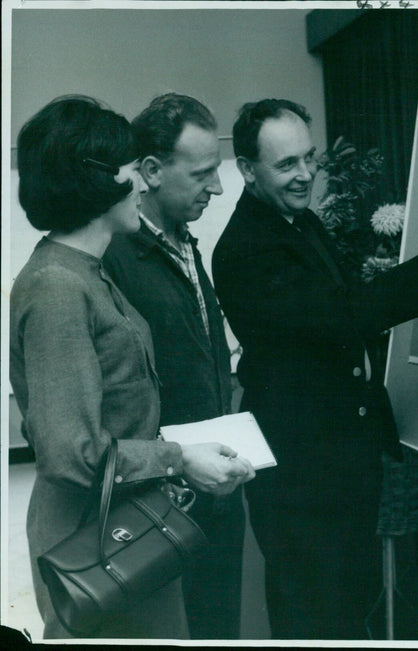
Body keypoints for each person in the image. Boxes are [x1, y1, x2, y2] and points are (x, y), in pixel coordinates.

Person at [212, 98, 418, 639]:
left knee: (348, 613)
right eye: (286, 164)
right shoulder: (244, 248)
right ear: (247, 170)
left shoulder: (301, 223)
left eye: (309, 158)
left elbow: (344, 308)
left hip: (339, 469)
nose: (306, 175)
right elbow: (336, 317)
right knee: (315, 621)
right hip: (300, 483)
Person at [9, 96, 254, 639]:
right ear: (96, 182)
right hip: (93, 540)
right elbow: (71, 454)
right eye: (130, 170)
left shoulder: (86, 272)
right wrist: (181, 458)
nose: (143, 186)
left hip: (126, 525)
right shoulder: (56, 287)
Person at [103, 93, 244, 640]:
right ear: (152, 171)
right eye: (204, 173)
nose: (217, 187)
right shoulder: (115, 257)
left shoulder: (186, 243)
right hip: (160, 498)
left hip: (212, 488)